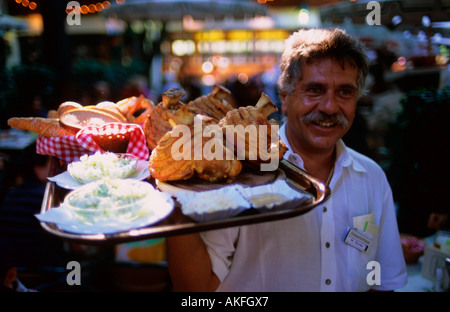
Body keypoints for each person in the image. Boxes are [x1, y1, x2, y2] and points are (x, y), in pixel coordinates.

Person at [166, 28, 407, 292]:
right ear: (284, 97)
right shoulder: (235, 174)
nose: (329, 106)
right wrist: (177, 207)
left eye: (344, 92)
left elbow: (382, 283)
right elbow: (197, 291)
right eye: (315, 90)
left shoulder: (371, 177)